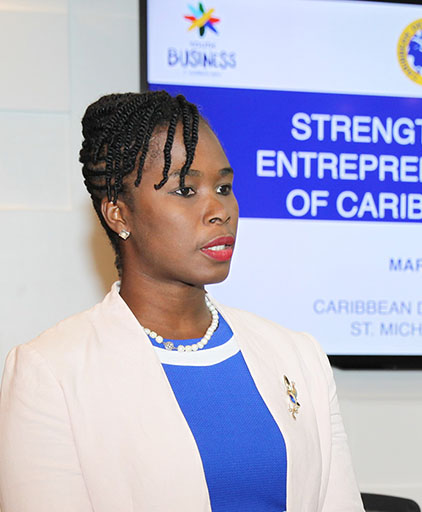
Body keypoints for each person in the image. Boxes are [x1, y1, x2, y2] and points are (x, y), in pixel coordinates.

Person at [0, 91, 365, 511]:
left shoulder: (299, 356)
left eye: (224, 187)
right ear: (118, 213)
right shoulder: (52, 373)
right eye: (185, 190)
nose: (219, 210)